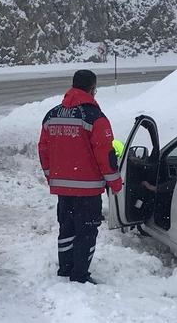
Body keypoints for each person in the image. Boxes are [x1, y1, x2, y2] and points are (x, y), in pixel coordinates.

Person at [38, 70, 122, 284]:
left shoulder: (51, 115)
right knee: (86, 232)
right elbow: (106, 154)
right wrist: (115, 182)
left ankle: (65, 268)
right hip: (88, 189)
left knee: (66, 228)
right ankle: (80, 275)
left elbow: (44, 150)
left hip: (63, 189)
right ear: (92, 89)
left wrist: (51, 177)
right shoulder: (95, 118)